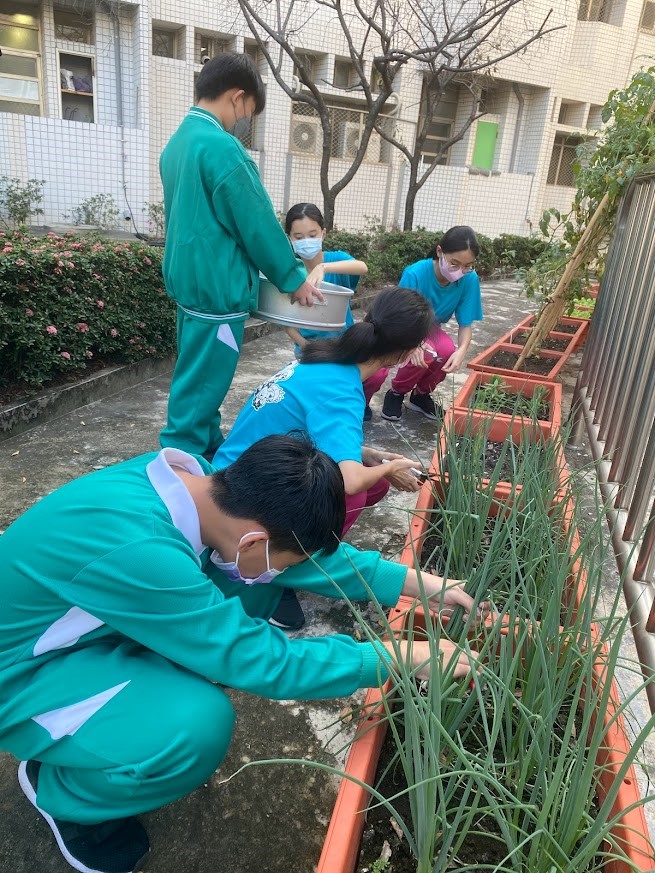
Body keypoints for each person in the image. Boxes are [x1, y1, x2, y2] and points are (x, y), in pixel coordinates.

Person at [0, 433, 480, 873]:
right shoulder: (139, 549)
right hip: (19, 675)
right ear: (254, 539)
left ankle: (98, 734)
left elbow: (305, 562)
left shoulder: (194, 489)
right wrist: (394, 658)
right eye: (280, 556)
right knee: (195, 724)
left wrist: (421, 585)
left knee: (251, 589)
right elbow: (263, 661)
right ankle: (63, 794)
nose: (287, 567)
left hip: (81, 638)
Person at [213, 286, 433, 631]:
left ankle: (301, 548)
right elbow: (348, 480)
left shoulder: (324, 358)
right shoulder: (342, 391)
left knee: (370, 483)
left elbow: (303, 427)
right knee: (355, 491)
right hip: (244, 489)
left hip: (242, 463)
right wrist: (391, 468)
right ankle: (285, 565)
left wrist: (370, 455)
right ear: (403, 353)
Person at [159, 53, 321, 459]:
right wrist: (292, 276)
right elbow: (257, 224)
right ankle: (181, 463)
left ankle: (206, 443)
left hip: (192, 287)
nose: (244, 120)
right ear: (237, 97)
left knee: (198, 378)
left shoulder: (179, 143)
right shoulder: (222, 148)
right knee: (200, 388)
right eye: (249, 111)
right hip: (216, 292)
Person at [282, 202, 388, 421]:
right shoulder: (290, 270)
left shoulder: (334, 260)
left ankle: (360, 402)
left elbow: (362, 267)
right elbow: (285, 319)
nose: (306, 241)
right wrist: (306, 346)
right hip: (309, 345)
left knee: (377, 372)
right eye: (299, 237)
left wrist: (323, 267)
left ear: (323, 233)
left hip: (345, 341)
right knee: (322, 386)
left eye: (312, 234)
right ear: (289, 238)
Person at [381, 225, 483, 422]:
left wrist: (462, 350)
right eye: (454, 264)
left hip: (431, 329)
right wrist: (413, 344)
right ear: (439, 252)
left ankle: (420, 395)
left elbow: (466, 324)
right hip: (404, 328)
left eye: (468, 265)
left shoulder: (469, 279)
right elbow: (399, 317)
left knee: (446, 351)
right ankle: (396, 392)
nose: (460, 271)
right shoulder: (415, 274)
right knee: (426, 352)